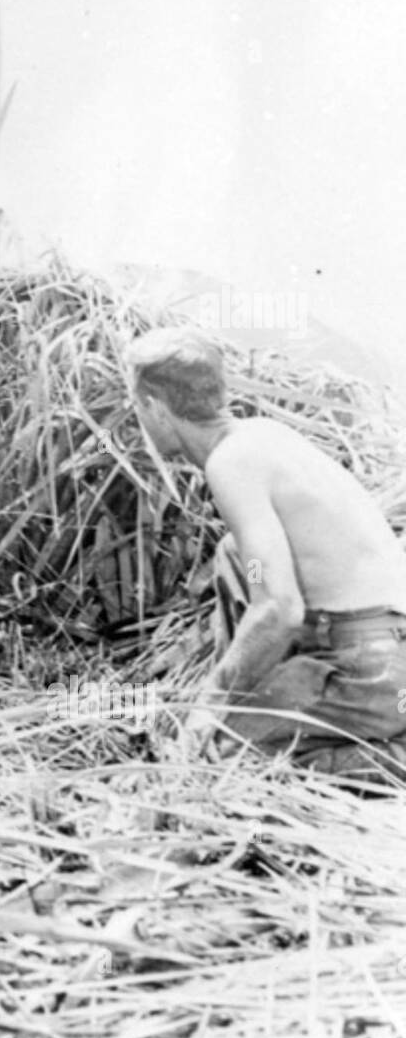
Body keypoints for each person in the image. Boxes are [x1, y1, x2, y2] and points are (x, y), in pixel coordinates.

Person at [126, 327, 406, 783]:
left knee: (219, 757)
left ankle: (393, 756)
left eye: (136, 406)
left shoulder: (229, 464)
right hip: (383, 650)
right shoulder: (261, 435)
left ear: (155, 409)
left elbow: (279, 608)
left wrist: (212, 702)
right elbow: (261, 574)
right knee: (235, 553)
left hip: (369, 672)